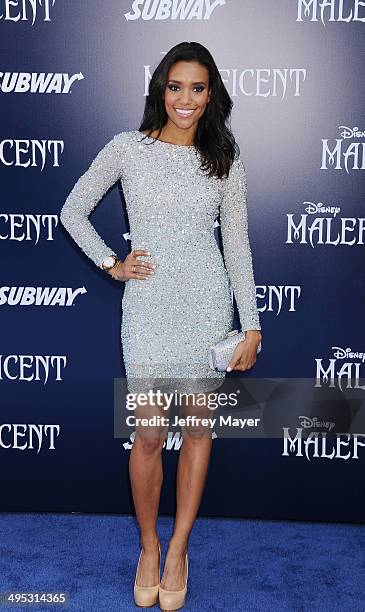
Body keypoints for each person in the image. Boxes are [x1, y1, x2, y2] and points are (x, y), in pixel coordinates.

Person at [60, 41, 262, 611]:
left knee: (198, 433)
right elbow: (73, 209)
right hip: (147, 311)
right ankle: (148, 547)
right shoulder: (128, 149)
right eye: (176, 86)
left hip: (206, 312)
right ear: (160, 90)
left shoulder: (225, 157)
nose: (186, 99)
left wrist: (251, 325)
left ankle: (179, 551)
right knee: (149, 436)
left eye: (198, 88)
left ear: (211, 93)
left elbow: (237, 244)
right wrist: (112, 263)